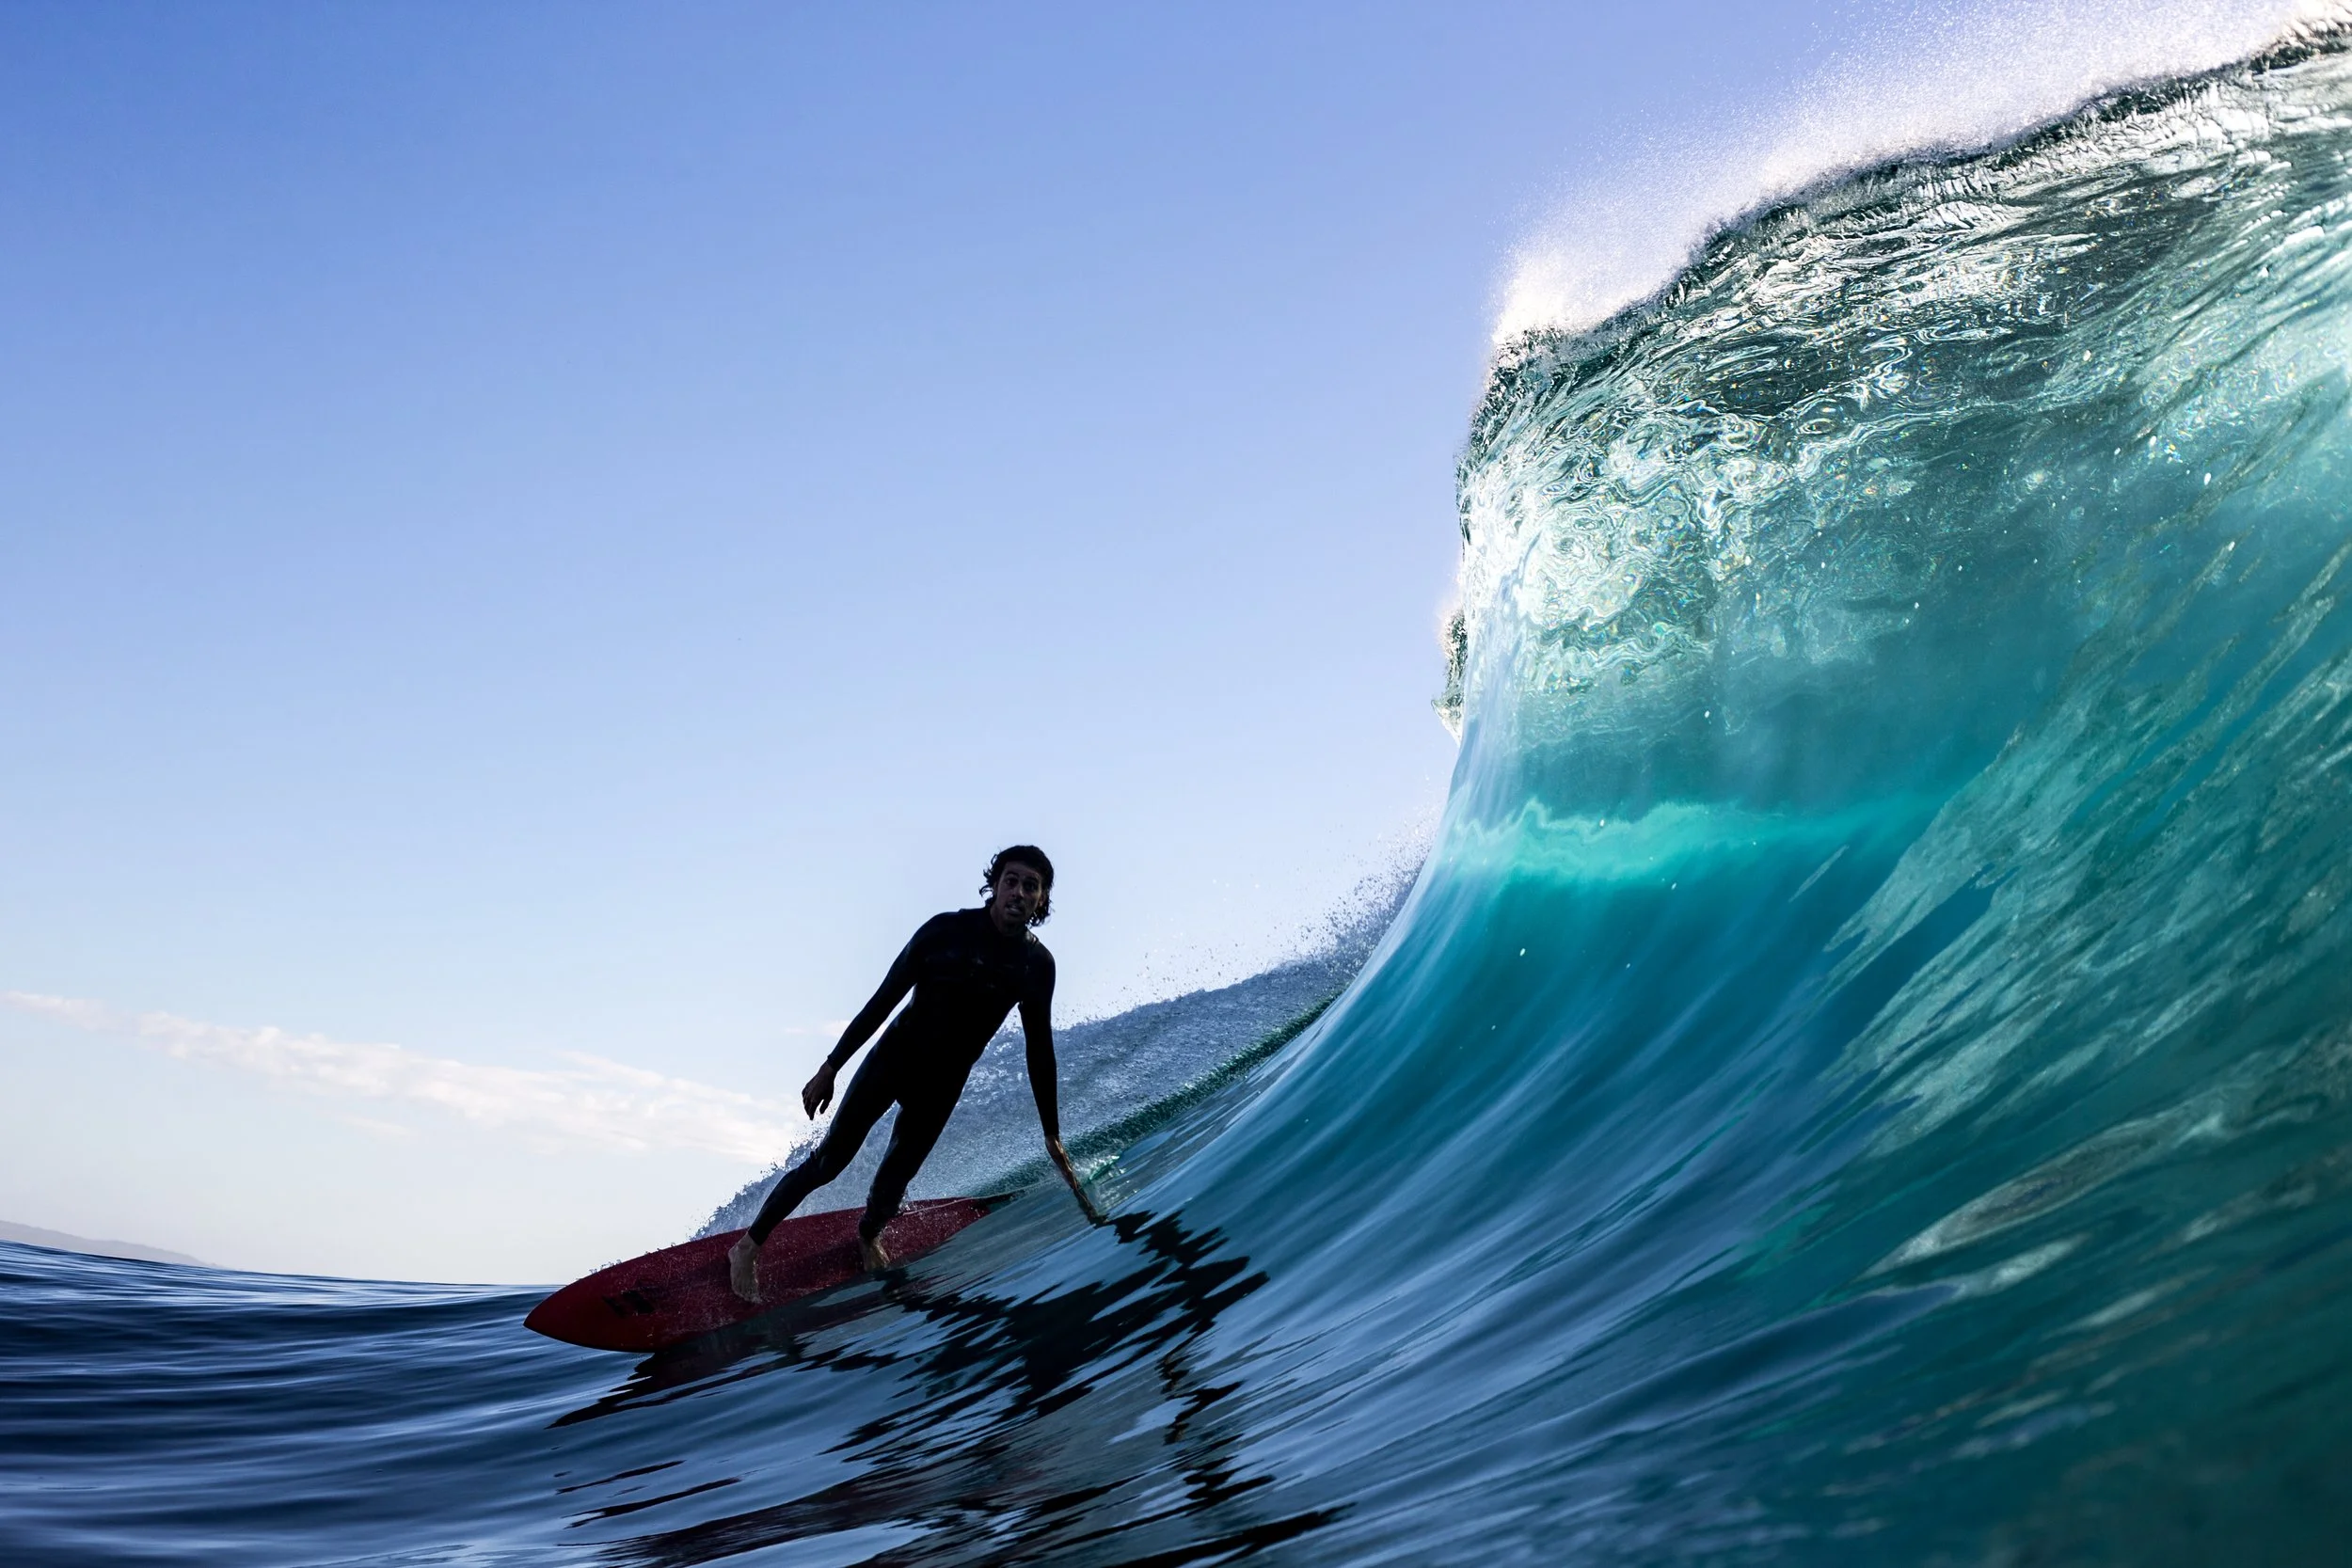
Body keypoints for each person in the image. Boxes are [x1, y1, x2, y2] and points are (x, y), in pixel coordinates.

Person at [728, 845, 1102, 1303]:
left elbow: (1039, 1050)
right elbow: (882, 1002)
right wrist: (830, 1067)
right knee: (830, 1161)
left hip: (943, 1084)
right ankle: (747, 1246)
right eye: (1011, 880)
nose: (1019, 892)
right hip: (894, 1061)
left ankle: (867, 1237)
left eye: (1031, 886)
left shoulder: (1037, 967)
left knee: (894, 1182)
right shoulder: (944, 932)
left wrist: (1052, 1134)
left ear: (1042, 900)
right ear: (995, 884)